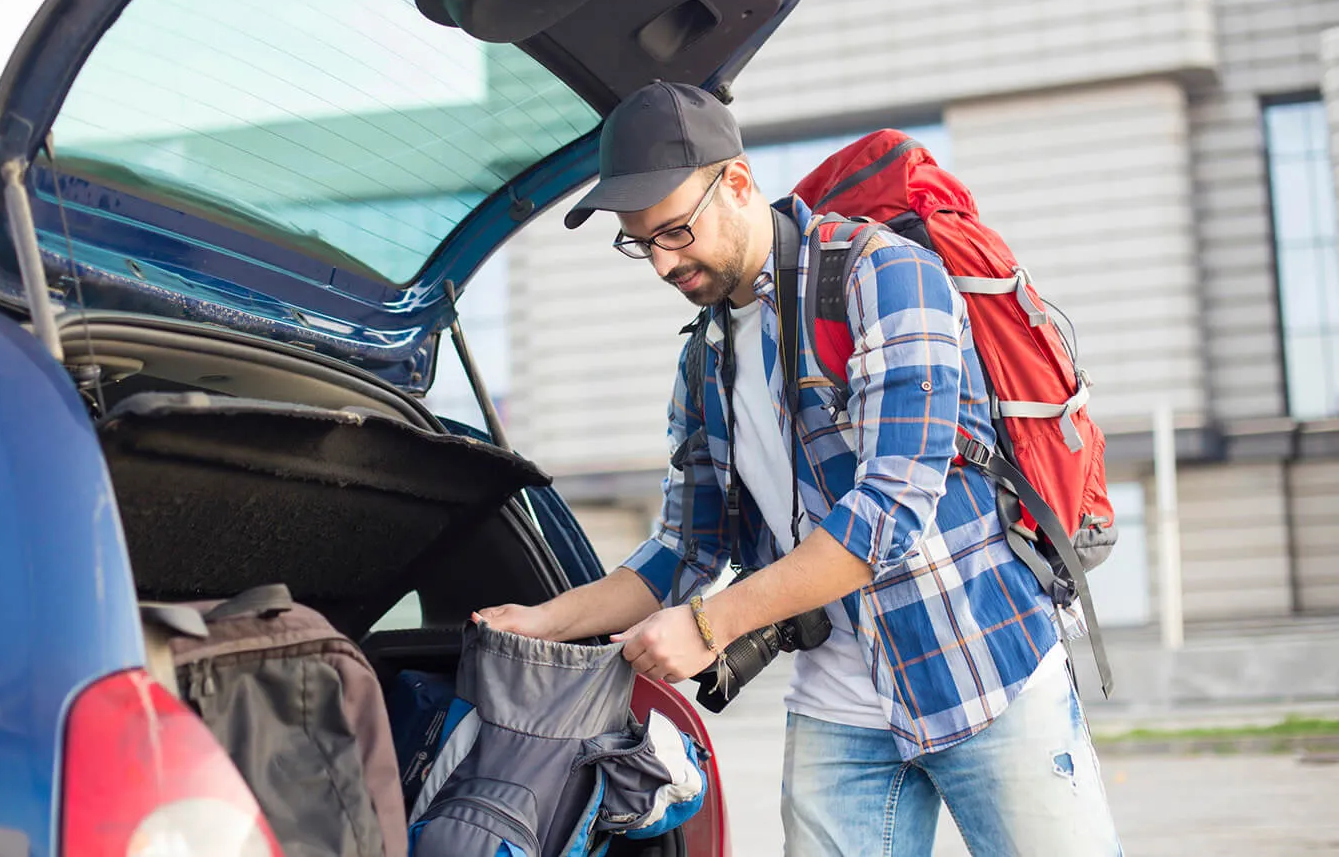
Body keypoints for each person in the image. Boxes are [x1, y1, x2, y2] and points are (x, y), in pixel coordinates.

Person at [475, 81, 1121, 856]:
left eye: (676, 231)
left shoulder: (881, 274)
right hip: (839, 707)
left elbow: (887, 512)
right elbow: (683, 549)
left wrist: (711, 625)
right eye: (641, 241)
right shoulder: (703, 358)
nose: (660, 261)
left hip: (984, 668)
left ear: (739, 183)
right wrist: (542, 621)